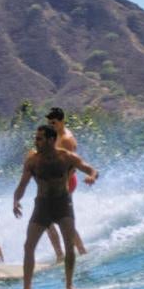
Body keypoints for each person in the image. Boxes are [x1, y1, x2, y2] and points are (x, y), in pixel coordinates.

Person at [13, 125, 98, 289]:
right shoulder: (33, 161)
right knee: (29, 246)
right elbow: (23, 184)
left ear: (51, 140)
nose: (35, 142)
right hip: (42, 205)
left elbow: (91, 169)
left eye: (39, 138)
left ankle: (69, 285)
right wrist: (16, 200)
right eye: (35, 138)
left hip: (63, 204)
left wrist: (91, 176)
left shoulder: (65, 157)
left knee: (69, 245)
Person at [42, 107, 93, 258]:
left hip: (65, 182)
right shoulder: (55, 135)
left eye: (54, 122)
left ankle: (73, 253)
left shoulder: (67, 139)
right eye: (49, 123)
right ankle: (74, 252)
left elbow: (73, 165)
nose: (51, 125)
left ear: (62, 121)